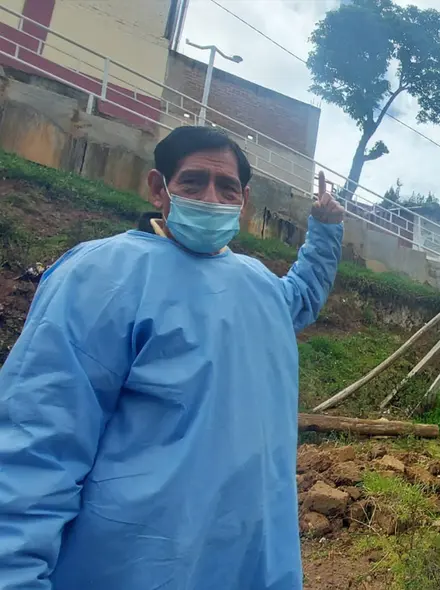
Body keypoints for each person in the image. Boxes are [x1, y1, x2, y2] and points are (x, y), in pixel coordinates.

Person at [0, 126, 346, 589]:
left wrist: (324, 230)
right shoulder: (101, 278)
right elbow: (37, 441)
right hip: (135, 565)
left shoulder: (259, 286)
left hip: (249, 557)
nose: (210, 197)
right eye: (192, 182)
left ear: (243, 200)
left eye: (226, 188)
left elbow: (302, 294)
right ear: (159, 188)